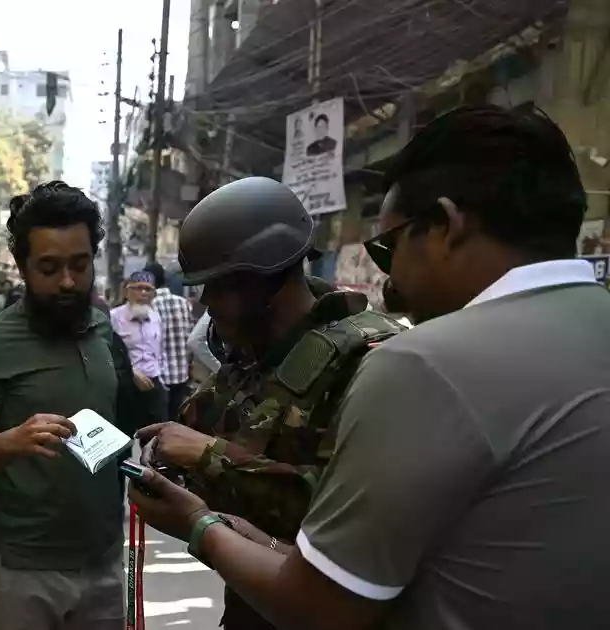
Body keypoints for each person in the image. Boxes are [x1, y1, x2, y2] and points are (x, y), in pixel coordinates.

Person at [129, 105, 610, 630]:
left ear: (445, 227)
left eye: (387, 248)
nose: (390, 280)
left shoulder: (415, 363)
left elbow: (321, 607)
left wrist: (198, 525)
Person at [133, 176, 404, 630]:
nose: (206, 304)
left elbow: (346, 515)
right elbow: (201, 428)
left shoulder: (374, 360)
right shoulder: (256, 348)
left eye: (216, 288)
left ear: (263, 281)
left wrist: (208, 459)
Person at [0, 181, 123, 630]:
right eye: (49, 268)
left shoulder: (104, 332)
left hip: (104, 562)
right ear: (22, 266)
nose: (68, 281)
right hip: (22, 574)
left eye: (79, 265)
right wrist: (14, 441)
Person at [110, 270, 167, 431]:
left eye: (148, 289)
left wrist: (161, 376)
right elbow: (111, 354)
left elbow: (160, 351)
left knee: (157, 436)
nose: (143, 293)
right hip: (127, 385)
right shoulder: (114, 318)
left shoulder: (156, 317)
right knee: (124, 436)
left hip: (153, 383)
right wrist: (132, 373)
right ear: (127, 292)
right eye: (138, 288)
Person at [145, 262, 194, 421]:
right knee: (176, 419)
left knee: (159, 425)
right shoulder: (184, 303)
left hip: (159, 378)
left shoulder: (149, 307)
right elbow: (191, 335)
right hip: (181, 373)